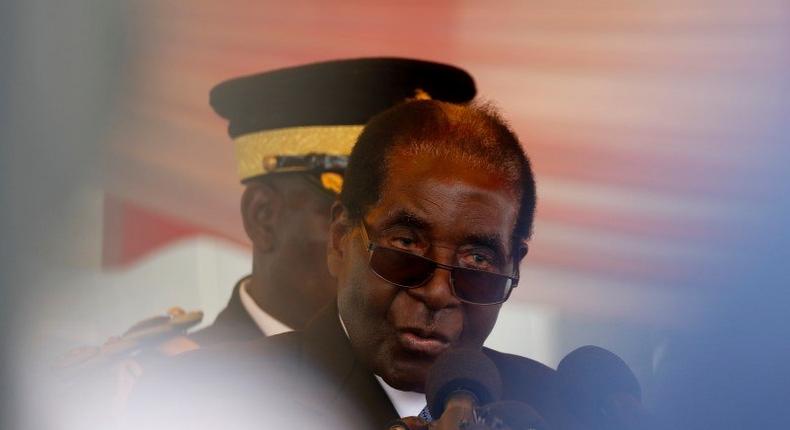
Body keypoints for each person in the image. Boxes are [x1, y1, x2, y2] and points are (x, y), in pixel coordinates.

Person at [127, 99, 626, 430]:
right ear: (341, 239)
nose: (436, 293)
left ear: (514, 268)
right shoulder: (206, 400)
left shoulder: (554, 409)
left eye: (477, 261)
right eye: (405, 247)